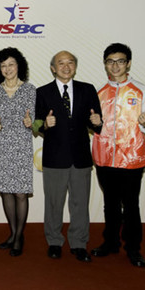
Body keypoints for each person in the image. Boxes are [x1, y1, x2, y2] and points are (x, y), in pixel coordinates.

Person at [91, 43, 145, 268]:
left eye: (120, 61)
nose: (115, 65)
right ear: (105, 64)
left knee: (131, 205)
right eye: (111, 61)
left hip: (131, 159)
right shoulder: (98, 93)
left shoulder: (142, 91)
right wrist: (94, 125)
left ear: (128, 63)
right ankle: (110, 242)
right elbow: (94, 126)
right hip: (104, 157)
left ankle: (133, 248)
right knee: (110, 204)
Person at [33, 50, 103, 262]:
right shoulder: (43, 92)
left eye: (70, 62)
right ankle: (54, 241)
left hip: (81, 156)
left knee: (80, 203)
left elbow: (95, 121)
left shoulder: (87, 89)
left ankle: (79, 243)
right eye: (60, 63)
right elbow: (35, 123)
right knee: (54, 203)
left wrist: (98, 122)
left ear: (75, 66)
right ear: (53, 68)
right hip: (55, 157)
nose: (65, 66)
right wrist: (44, 124)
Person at [0, 47, 35, 257]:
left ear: (19, 66)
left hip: (21, 145)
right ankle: (14, 233)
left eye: (11, 64)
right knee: (6, 191)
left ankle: (18, 237)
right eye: (3, 65)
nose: (7, 69)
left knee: (20, 193)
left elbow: (35, 119)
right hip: (0, 145)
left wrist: (30, 122)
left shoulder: (30, 89)